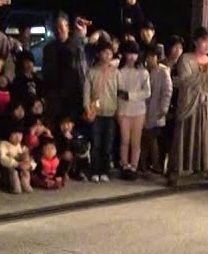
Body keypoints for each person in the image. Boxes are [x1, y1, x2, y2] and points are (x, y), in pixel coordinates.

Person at [169, 28, 208, 189]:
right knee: (184, 136)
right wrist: (205, 73)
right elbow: (185, 81)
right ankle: (175, 171)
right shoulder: (186, 59)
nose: (207, 45)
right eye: (204, 41)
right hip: (191, 103)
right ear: (196, 41)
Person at [41, 14, 89, 122]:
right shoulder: (49, 49)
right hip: (57, 99)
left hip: (76, 97)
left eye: (60, 27)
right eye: (55, 27)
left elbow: (82, 73)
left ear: (67, 27)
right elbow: (47, 75)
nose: (58, 30)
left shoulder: (77, 45)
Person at [83, 40, 118, 183]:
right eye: (104, 52)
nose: (107, 55)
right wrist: (87, 108)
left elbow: (119, 92)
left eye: (109, 52)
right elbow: (86, 92)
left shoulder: (116, 72)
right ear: (99, 54)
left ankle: (105, 171)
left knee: (107, 144)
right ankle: (95, 171)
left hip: (110, 112)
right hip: (95, 112)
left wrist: (118, 111)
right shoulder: (92, 72)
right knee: (95, 143)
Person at [115, 40, 150, 180]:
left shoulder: (143, 72)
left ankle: (134, 166)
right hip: (123, 110)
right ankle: (124, 165)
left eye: (134, 54)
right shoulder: (119, 71)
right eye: (129, 53)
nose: (132, 57)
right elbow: (116, 92)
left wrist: (130, 95)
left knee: (136, 141)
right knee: (125, 140)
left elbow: (147, 92)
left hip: (139, 110)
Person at [142, 44, 173, 175]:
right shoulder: (144, 71)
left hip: (156, 111)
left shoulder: (163, 71)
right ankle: (145, 165)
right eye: (148, 57)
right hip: (144, 111)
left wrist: (164, 108)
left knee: (153, 139)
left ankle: (156, 165)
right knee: (146, 139)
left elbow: (167, 91)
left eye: (152, 56)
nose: (150, 59)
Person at [0, 122, 34, 193]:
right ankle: (14, 186)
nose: (18, 137)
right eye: (15, 134)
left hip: (20, 168)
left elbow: (28, 159)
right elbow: (2, 158)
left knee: (26, 156)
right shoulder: (3, 144)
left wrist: (29, 164)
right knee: (17, 189)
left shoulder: (20, 145)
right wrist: (17, 164)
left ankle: (25, 182)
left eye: (20, 134)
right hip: (8, 169)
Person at [54, 115, 90, 181]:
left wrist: (71, 139)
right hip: (61, 157)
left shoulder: (77, 133)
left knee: (82, 155)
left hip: (75, 157)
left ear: (73, 124)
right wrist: (64, 138)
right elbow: (57, 148)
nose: (65, 126)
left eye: (68, 124)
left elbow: (82, 148)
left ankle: (79, 173)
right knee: (66, 155)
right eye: (63, 124)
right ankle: (62, 173)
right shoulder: (57, 134)